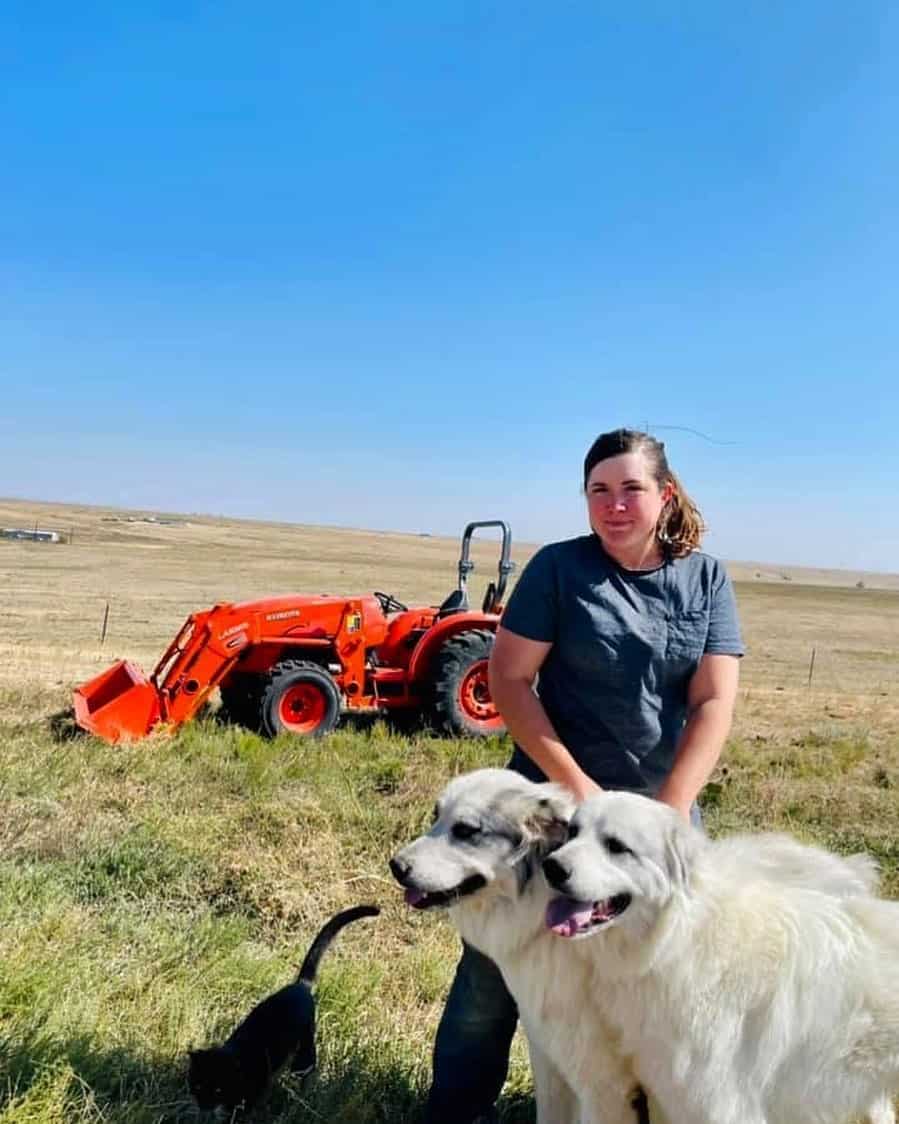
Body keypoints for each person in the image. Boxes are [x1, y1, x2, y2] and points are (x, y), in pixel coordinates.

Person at [424, 427, 744, 1124]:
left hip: (658, 815)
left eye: (631, 488)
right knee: (495, 973)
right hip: (549, 808)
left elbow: (713, 699)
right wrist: (579, 794)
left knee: (664, 976)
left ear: (664, 495)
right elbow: (509, 682)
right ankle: (455, 1111)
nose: (614, 504)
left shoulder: (705, 577)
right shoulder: (558, 570)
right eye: (598, 490)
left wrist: (669, 809)